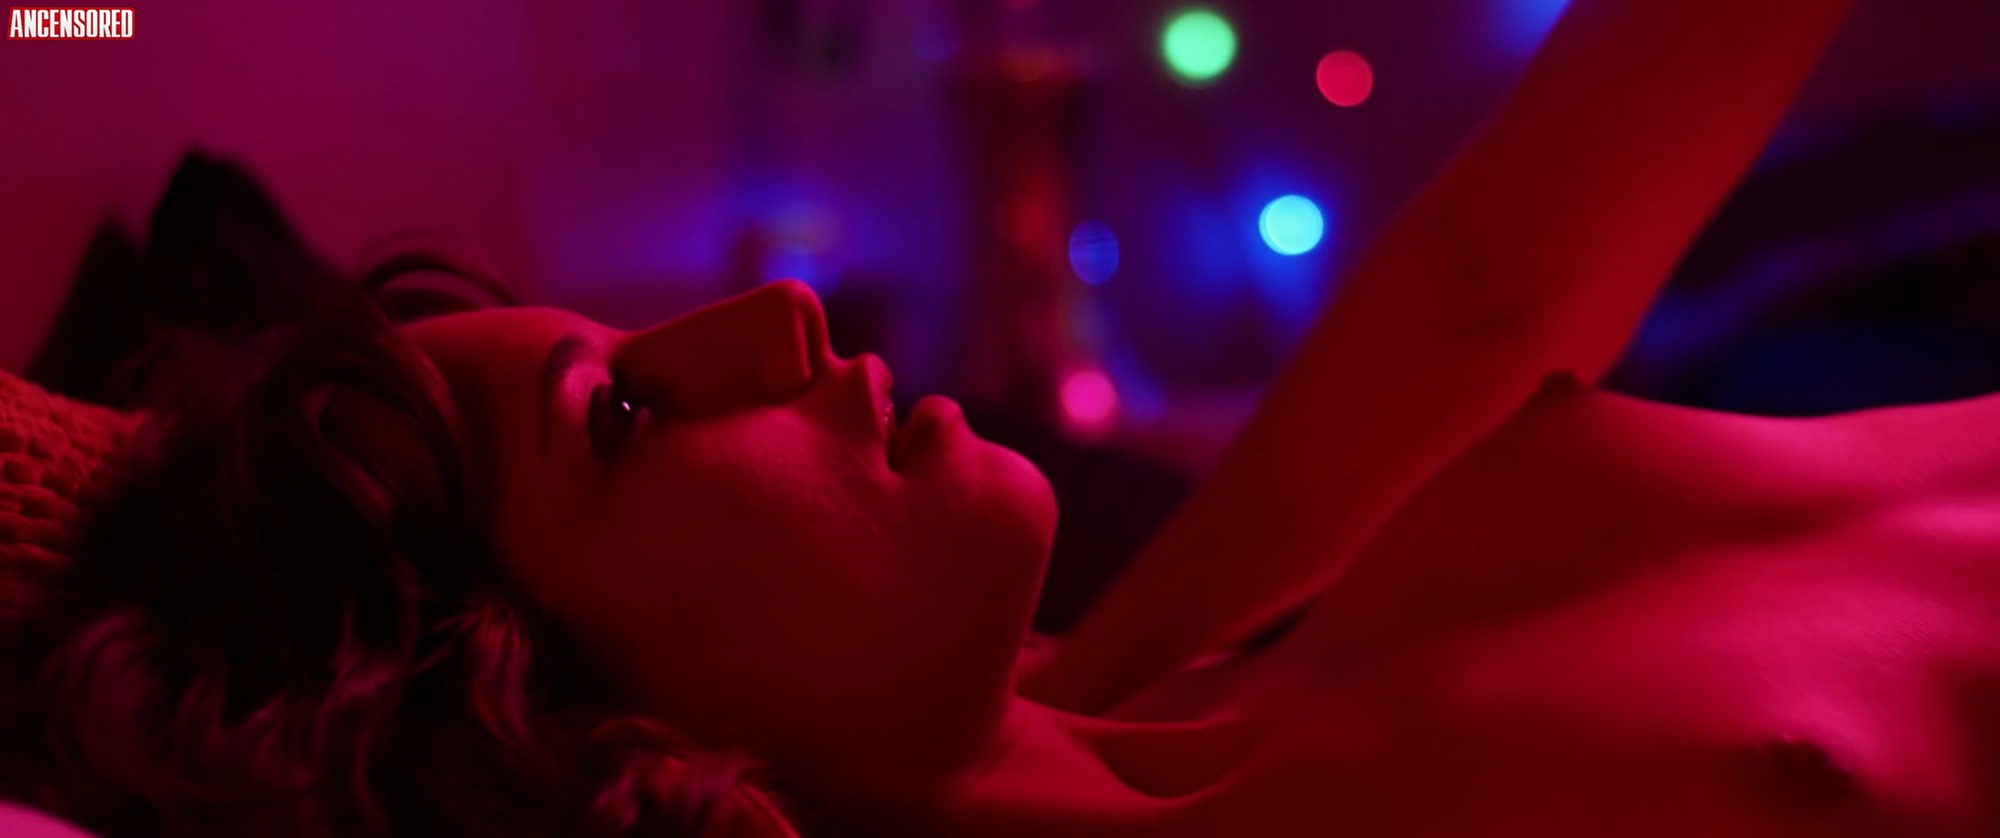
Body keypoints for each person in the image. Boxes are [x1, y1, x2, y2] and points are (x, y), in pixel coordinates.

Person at [19, 0, 1986, 834]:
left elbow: (1496, 288)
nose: (776, 318)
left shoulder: (1161, 663)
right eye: (614, 414)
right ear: (587, 737)